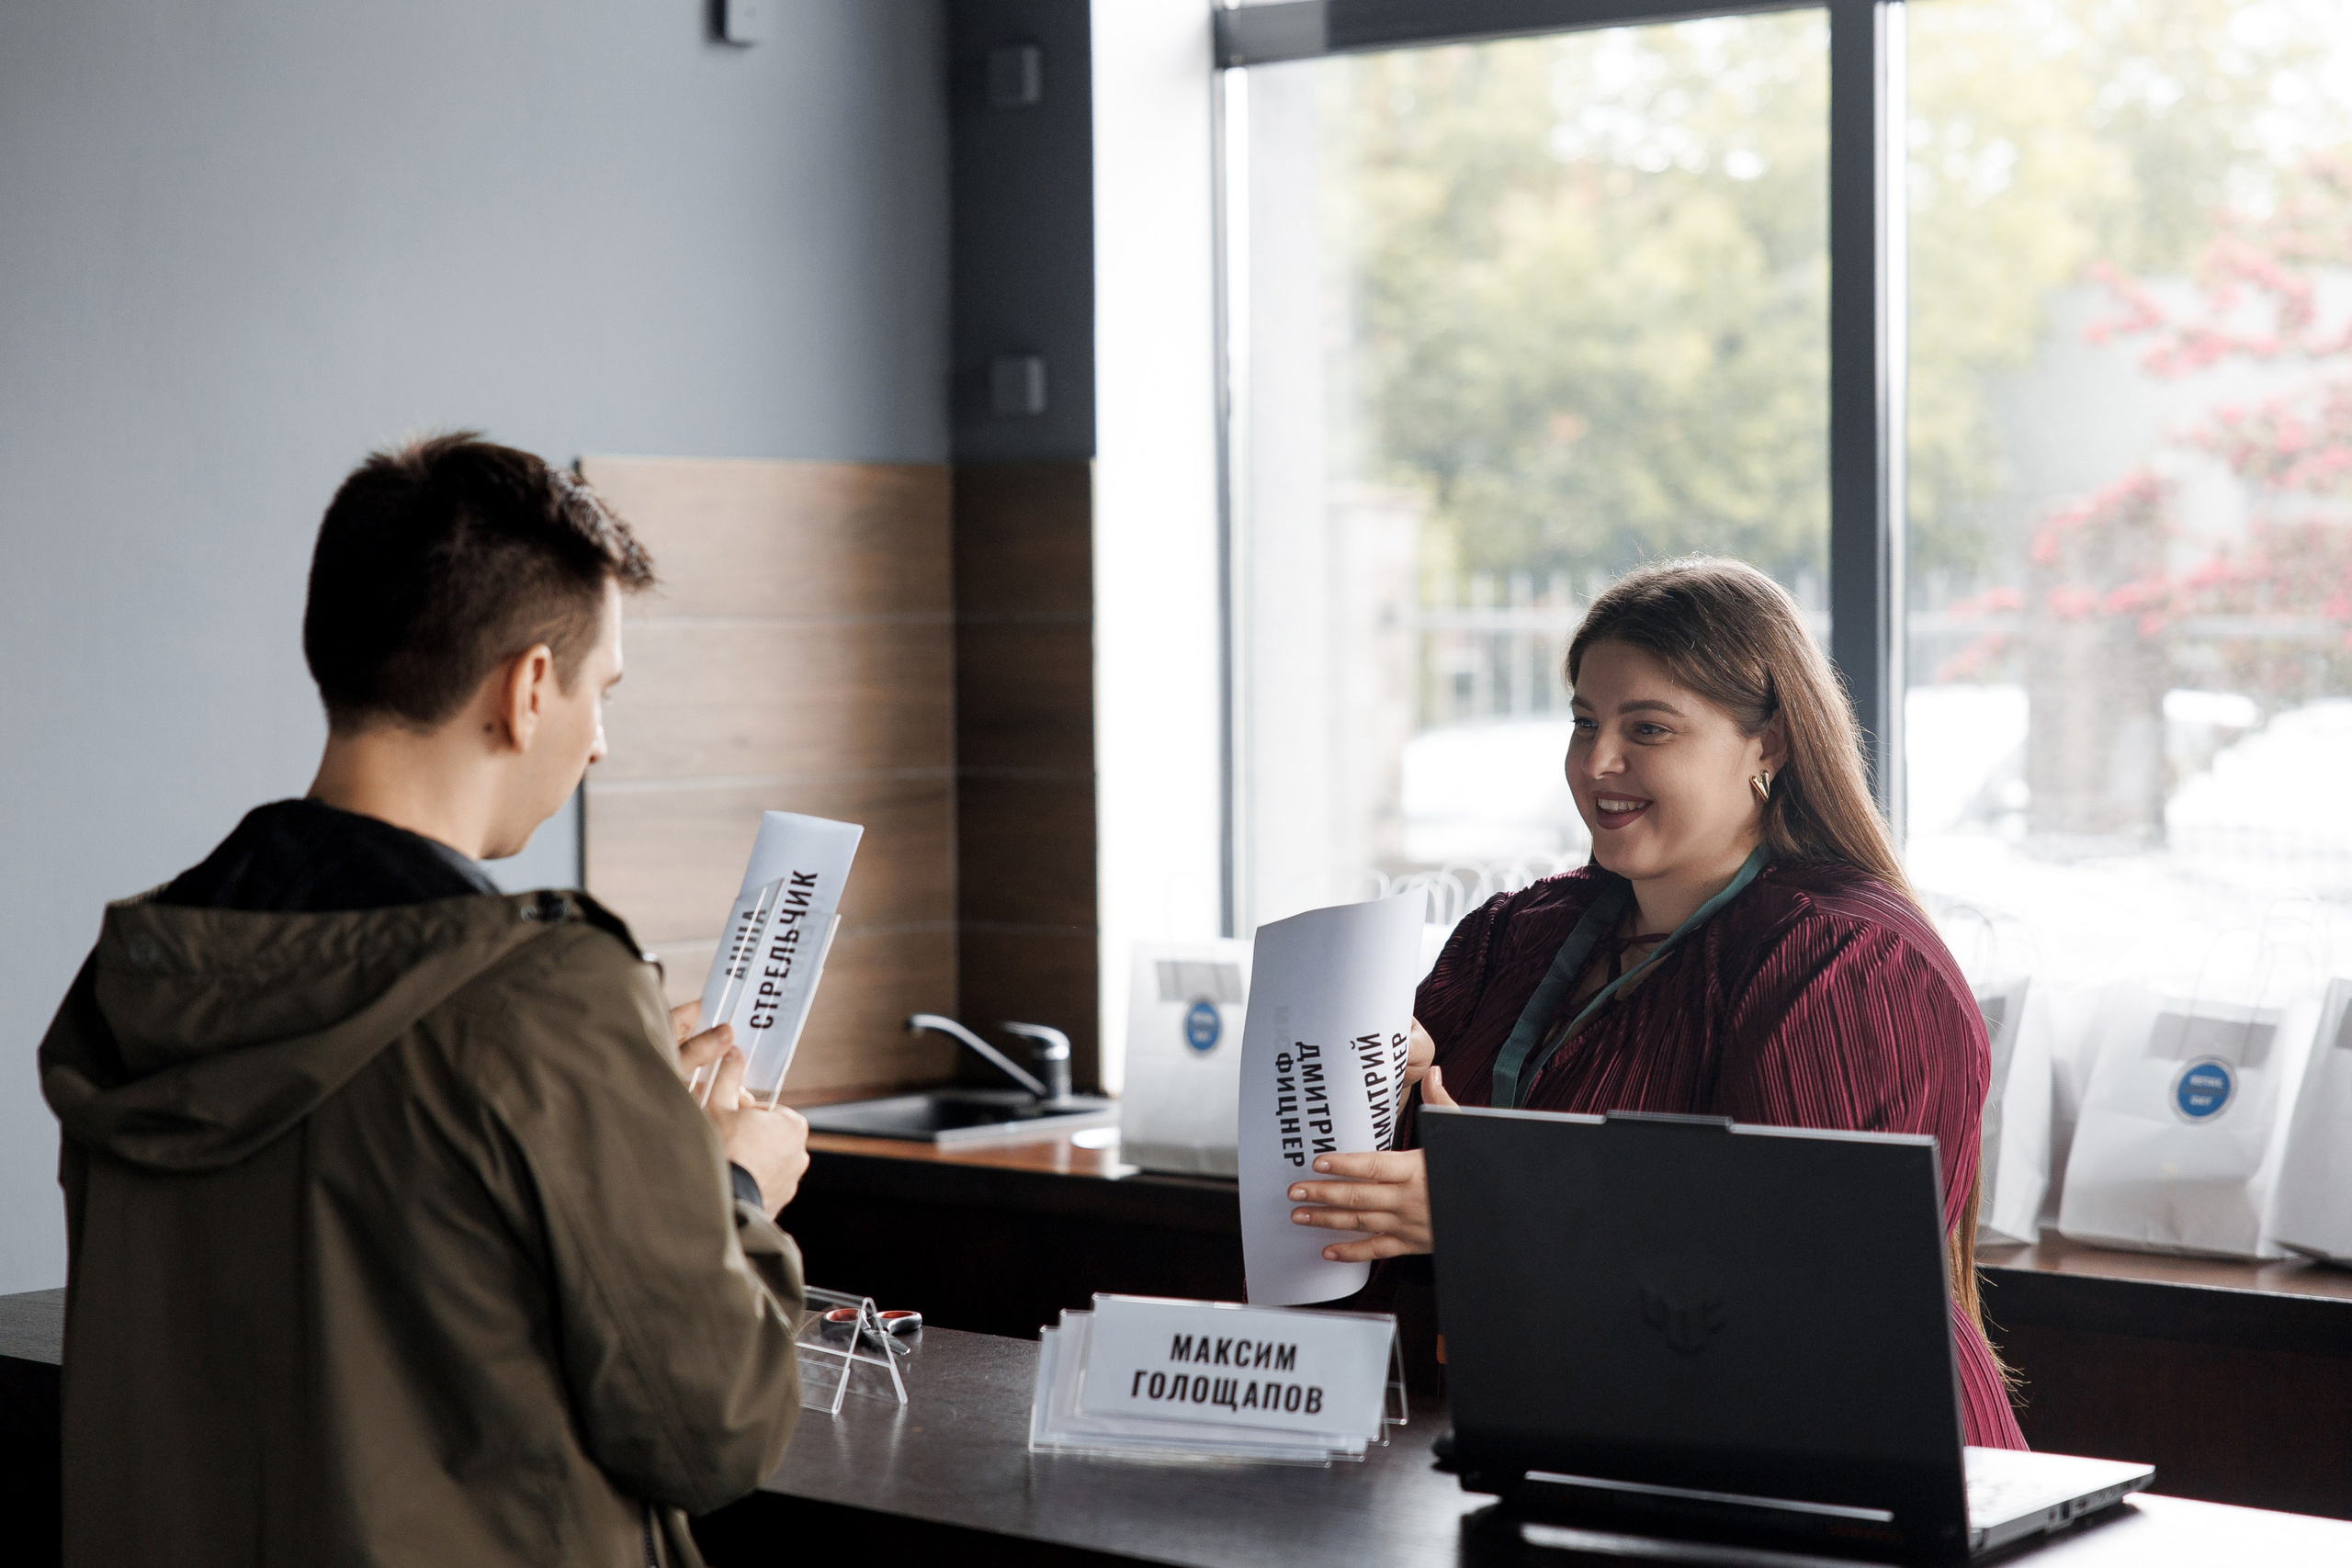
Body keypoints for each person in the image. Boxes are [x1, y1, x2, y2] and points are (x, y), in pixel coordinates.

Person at [38, 434, 813, 1565]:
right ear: (529, 688)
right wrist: (726, 1183)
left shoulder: (141, 978)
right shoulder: (541, 1003)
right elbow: (714, 1428)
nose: (599, 743)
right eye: (602, 691)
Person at [1284, 557, 2026, 1450]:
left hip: (1839, 1478)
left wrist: (1491, 1211)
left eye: (1649, 727)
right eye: (1584, 722)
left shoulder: (1845, 964)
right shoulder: (1515, 934)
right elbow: (1364, 1208)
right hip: (1570, 1448)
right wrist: (1361, 1085)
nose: (1599, 762)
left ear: (1770, 744)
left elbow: (1816, 1278)